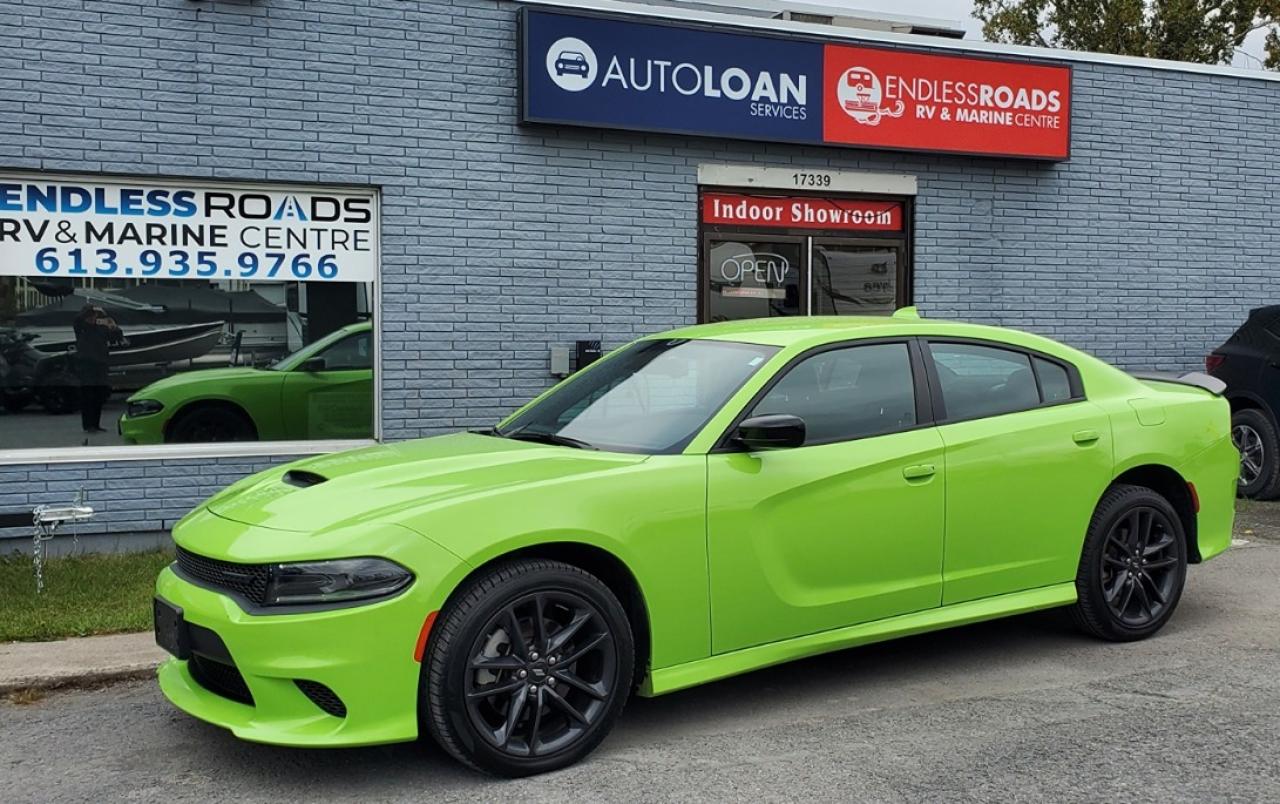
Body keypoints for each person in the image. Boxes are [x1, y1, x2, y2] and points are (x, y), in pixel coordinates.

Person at [72, 305, 123, 433]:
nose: (93, 318)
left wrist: (113, 326)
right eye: (91, 316)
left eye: (94, 316)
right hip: (86, 365)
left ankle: (96, 424)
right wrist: (94, 309)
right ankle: (88, 425)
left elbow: (116, 337)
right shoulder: (81, 328)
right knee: (88, 396)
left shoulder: (101, 329)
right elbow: (78, 319)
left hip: (100, 365)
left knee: (99, 396)